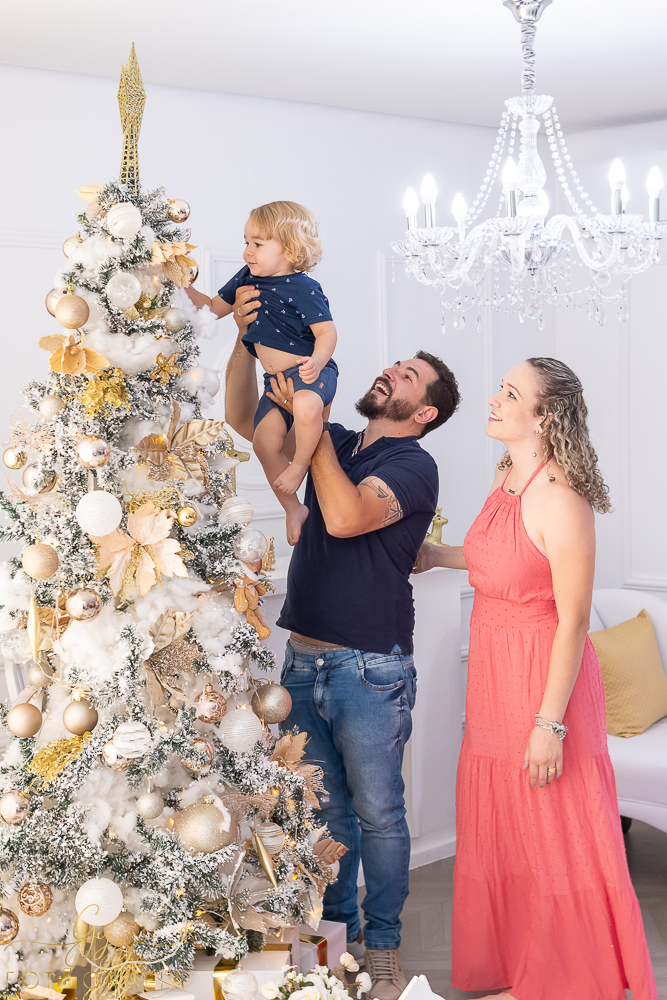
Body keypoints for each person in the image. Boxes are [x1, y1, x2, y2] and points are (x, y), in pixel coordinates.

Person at [224, 293, 461, 1000]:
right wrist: (246, 342)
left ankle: (382, 948)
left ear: (424, 413)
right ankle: (339, 932)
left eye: (409, 376)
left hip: (369, 669)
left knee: (378, 813)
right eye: (394, 363)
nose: (390, 371)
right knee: (326, 814)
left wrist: (314, 427)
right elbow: (243, 420)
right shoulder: (342, 439)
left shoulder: (413, 466)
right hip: (298, 662)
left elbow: (350, 515)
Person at [415, 357, 657, 1000]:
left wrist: (549, 724)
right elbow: (505, 558)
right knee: (510, 828)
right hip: (495, 675)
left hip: (541, 680)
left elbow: (574, 620)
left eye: (511, 394)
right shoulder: (507, 480)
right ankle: (520, 965)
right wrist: (440, 555)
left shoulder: (561, 498)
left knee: (552, 827)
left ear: (543, 418)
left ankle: (563, 978)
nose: (493, 399)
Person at [186, 201, 338, 544]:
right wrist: (178, 284)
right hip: (275, 382)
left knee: (304, 408)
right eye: (246, 242)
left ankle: (298, 466)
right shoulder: (247, 278)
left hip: (309, 373)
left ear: (290, 247)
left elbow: (327, 332)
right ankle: (292, 508)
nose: (247, 252)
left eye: (258, 243)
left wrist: (316, 360)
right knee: (264, 443)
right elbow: (211, 308)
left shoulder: (304, 288)